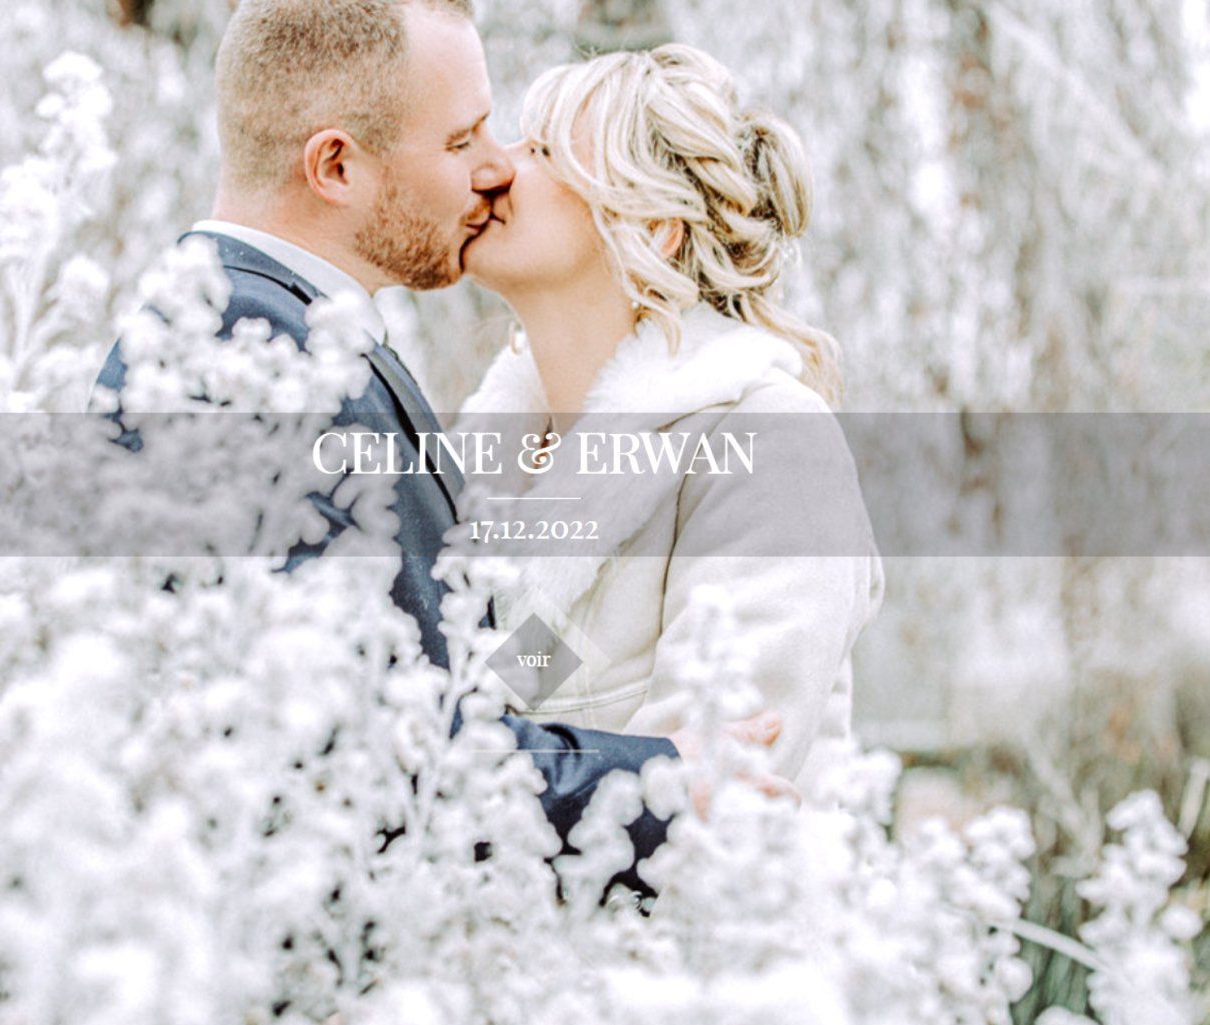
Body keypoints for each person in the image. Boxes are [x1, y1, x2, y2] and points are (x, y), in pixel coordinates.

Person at [89, 0, 793, 900]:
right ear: (336, 166)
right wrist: (652, 787)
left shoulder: (275, 334)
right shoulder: (258, 357)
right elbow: (365, 748)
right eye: (463, 140)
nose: (495, 170)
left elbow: (457, 670)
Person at [454, 43, 885, 784]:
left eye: (543, 151)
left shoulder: (772, 445)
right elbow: (510, 716)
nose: (493, 167)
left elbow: (715, 787)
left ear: (651, 226)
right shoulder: (503, 462)